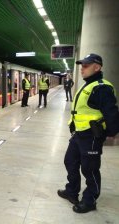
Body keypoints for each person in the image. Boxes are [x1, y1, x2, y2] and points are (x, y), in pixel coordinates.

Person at [57, 53, 119, 213]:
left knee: (89, 169)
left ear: (97, 67)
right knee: (70, 161)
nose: (82, 69)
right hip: (79, 134)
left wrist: (111, 133)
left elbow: (112, 112)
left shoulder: (102, 87)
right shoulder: (88, 85)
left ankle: (90, 200)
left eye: (85, 66)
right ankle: (72, 191)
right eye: (82, 66)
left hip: (91, 136)